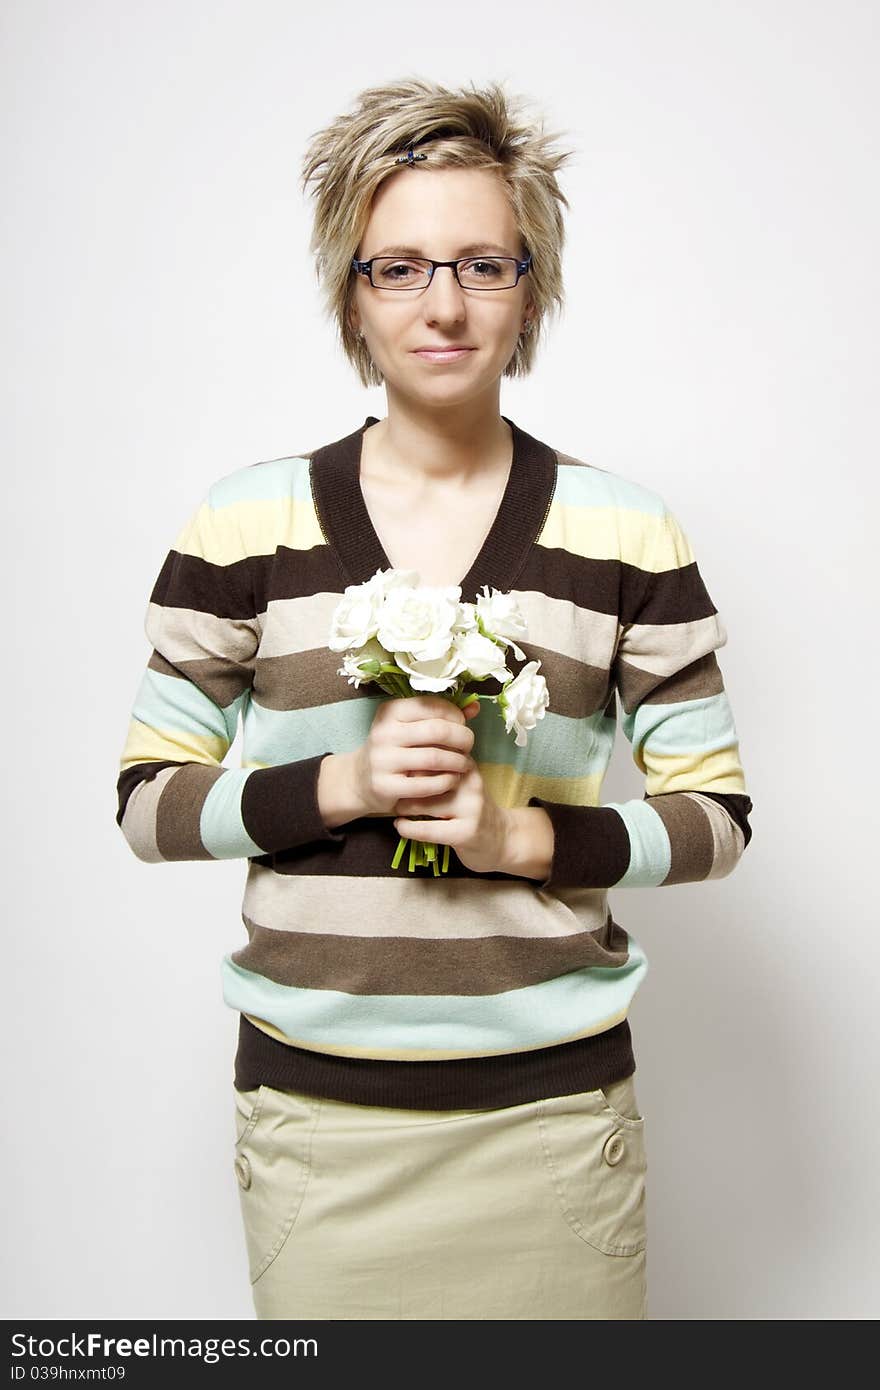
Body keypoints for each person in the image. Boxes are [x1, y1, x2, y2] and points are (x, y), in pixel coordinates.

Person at [115, 76, 754, 1321]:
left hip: (555, 1125)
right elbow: (147, 803)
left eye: (483, 264)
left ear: (533, 285)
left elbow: (718, 817)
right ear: (348, 293)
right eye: (397, 268)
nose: (444, 305)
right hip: (318, 1129)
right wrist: (344, 785)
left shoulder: (626, 532)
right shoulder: (245, 523)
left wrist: (526, 837)